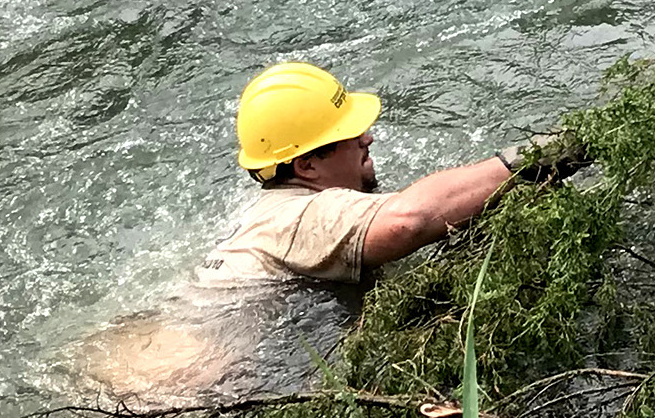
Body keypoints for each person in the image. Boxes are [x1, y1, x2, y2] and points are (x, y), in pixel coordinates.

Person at [197, 57, 571, 289]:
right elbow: (406, 220)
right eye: (348, 134)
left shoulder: (263, 215)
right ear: (306, 166)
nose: (367, 138)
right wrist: (534, 159)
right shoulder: (304, 216)